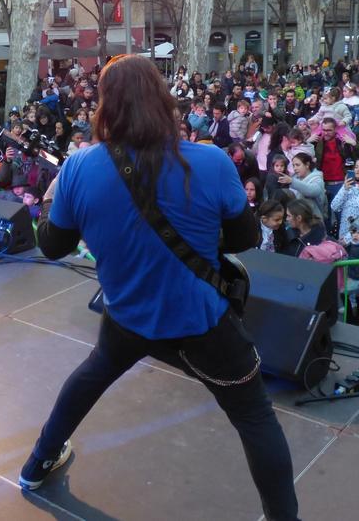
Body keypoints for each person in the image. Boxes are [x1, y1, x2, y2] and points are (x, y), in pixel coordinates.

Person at [21, 56, 298, 518]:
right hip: (200, 322)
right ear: (162, 98)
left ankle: (37, 464)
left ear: (104, 105)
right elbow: (245, 239)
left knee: (91, 376)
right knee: (254, 416)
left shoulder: (78, 167)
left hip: (126, 314)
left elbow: (52, 245)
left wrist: (53, 201)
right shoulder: (210, 161)